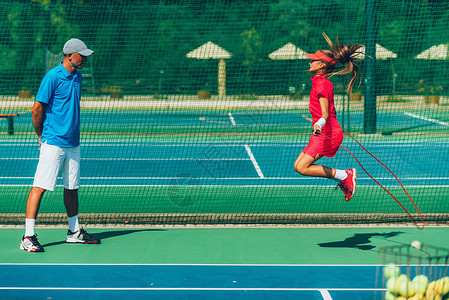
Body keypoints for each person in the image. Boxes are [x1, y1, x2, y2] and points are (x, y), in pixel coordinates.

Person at [20, 38, 100, 252]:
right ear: (69, 55)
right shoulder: (52, 77)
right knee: (40, 186)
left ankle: (74, 232)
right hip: (53, 142)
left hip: (73, 143)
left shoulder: (78, 77)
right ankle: (27, 237)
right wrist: (41, 136)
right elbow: (36, 109)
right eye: (81, 55)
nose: (84, 59)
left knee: (72, 187)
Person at [294, 33, 363, 201]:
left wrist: (319, 123)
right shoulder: (319, 82)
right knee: (298, 166)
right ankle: (343, 176)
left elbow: (325, 113)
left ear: (322, 65)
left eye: (314, 60)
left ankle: (345, 175)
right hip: (322, 131)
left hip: (328, 133)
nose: (310, 61)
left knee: (303, 167)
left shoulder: (323, 84)